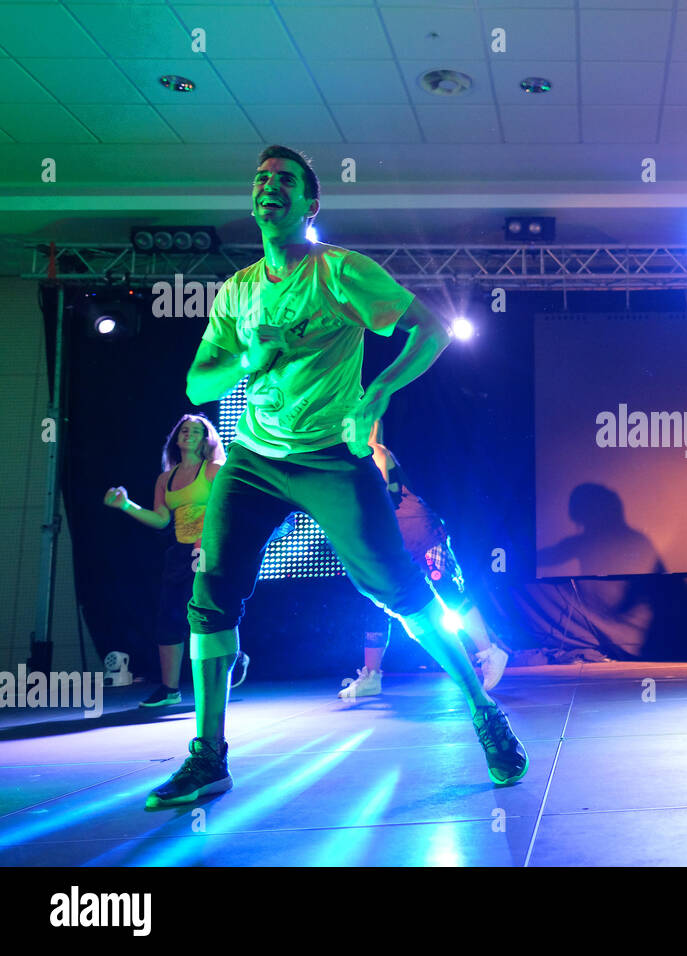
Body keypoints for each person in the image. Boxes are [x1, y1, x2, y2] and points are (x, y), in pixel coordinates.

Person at [146, 145, 526, 809]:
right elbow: (195, 381)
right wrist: (248, 359)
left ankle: (485, 713)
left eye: (284, 181)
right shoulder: (237, 292)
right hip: (255, 461)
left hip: (330, 457)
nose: (268, 188)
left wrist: (378, 391)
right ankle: (208, 757)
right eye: (260, 179)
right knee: (210, 598)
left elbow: (430, 328)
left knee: (402, 592)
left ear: (310, 204)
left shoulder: (340, 273)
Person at [338, 421, 509, 698]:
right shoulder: (348, 464)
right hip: (390, 543)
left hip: (419, 533)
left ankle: (489, 651)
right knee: (378, 603)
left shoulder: (375, 452)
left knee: (447, 593)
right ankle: (372, 675)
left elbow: (376, 494)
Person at [103, 414, 249, 707]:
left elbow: (231, 504)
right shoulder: (165, 478)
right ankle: (170, 689)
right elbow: (160, 520)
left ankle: (228, 663)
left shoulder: (213, 470)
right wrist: (126, 505)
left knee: (204, 614)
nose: (189, 434)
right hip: (180, 552)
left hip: (206, 550)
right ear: (176, 438)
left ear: (207, 440)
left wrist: (208, 535)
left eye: (196, 431)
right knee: (168, 617)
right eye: (184, 430)